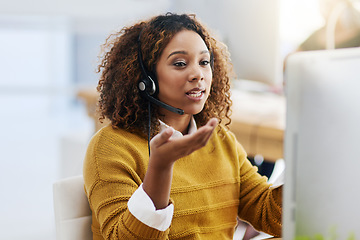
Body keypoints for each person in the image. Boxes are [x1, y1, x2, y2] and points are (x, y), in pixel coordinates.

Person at [83, 13, 282, 240]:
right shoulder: (111, 147)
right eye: (180, 64)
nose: (198, 74)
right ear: (146, 79)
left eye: (204, 62)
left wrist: (309, 162)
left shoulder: (220, 139)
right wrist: (160, 167)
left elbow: (269, 214)